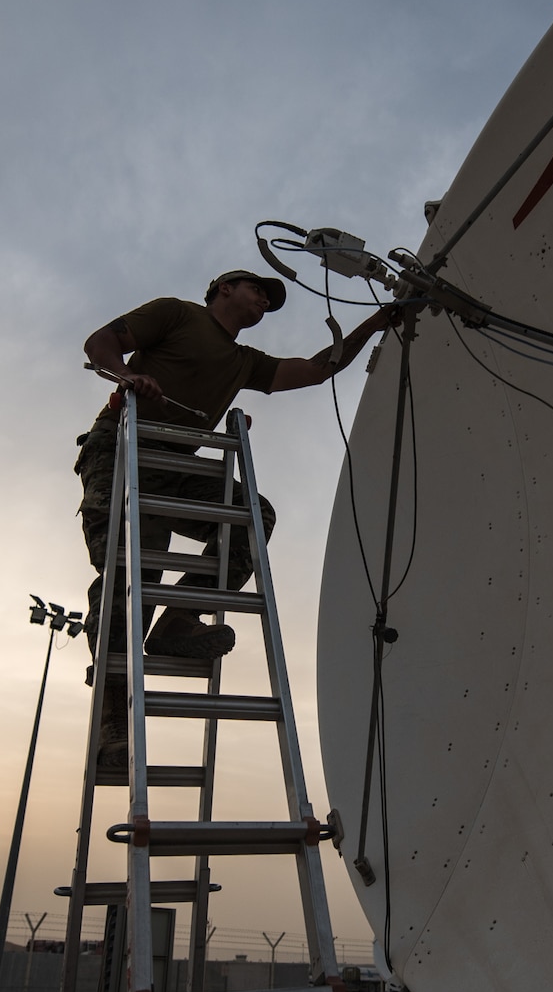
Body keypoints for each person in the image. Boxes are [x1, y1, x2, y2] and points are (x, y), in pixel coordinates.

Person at [76, 269, 398, 769]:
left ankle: (178, 619)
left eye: (269, 300)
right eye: (258, 291)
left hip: (174, 468)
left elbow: (315, 370)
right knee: (133, 571)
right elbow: (101, 342)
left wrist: (376, 322)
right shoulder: (177, 313)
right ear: (224, 287)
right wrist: (128, 376)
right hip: (123, 449)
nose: (264, 301)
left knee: (252, 517)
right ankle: (112, 725)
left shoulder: (244, 361)